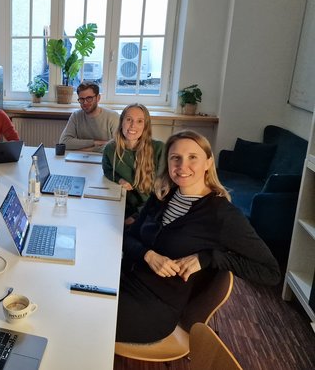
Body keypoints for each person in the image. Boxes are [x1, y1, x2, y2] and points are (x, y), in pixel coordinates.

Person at [115, 130, 280, 344]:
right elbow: (128, 238)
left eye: (192, 157)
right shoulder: (163, 195)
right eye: (175, 158)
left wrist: (208, 258)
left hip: (152, 306)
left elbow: (270, 272)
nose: (182, 166)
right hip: (123, 279)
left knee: (81, 317)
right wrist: (148, 254)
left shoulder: (222, 214)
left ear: (208, 163)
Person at [102, 104, 163, 224]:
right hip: (123, 207)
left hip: (149, 212)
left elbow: (163, 194)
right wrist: (120, 180)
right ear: (122, 122)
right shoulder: (111, 148)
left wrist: (136, 216)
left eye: (139, 121)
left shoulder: (159, 149)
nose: (133, 125)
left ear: (145, 126)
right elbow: (107, 170)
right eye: (129, 119)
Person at [59, 81, 119, 152]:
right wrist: (94, 143)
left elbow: (118, 146)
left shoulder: (113, 117)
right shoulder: (76, 116)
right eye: (81, 99)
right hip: (81, 157)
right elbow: (63, 142)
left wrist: (88, 149)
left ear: (98, 98)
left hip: (104, 157)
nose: (85, 102)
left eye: (89, 98)